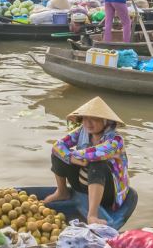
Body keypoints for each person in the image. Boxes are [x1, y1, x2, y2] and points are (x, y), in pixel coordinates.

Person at [42, 96, 132, 227]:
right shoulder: (82, 132)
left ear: (105, 121)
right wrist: (72, 158)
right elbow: (57, 146)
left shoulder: (116, 140)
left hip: (108, 190)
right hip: (85, 181)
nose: (88, 123)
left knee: (97, 162)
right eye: (85, 118)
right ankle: (62, 192)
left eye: (94, 119)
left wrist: (72, 155)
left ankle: (92, 214)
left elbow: (98, 153)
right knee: (58, 155)